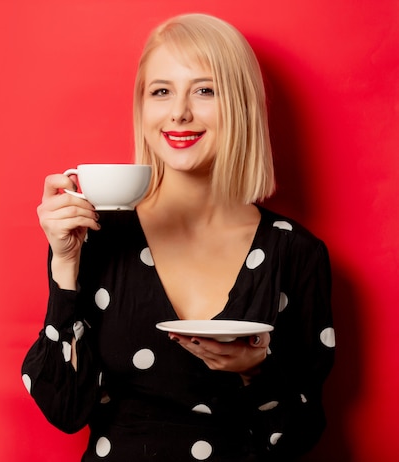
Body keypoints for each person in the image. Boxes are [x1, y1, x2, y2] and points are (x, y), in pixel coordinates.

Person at [22, 13, 334, 462]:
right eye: (161, 91)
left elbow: (301, 435)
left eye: (205, 90)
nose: (179, 112)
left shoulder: (295, 252)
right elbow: (65, 409)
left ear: (240, 105)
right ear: (142, 107)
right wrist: (64, 264)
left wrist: (256, 371)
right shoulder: (93, 235)